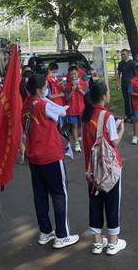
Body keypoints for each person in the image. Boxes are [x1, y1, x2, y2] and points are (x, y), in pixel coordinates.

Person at [22, 74, 80, 249]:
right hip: (50, 155)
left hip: (34, 156)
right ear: (39, 89)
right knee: (59, 194)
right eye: (45, 86)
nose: (47, 89)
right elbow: (62, 111)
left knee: (40, 195)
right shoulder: (43, 105)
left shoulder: (26, 104)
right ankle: (62, 235)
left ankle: (45, 231)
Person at [82, 83, 127, 255]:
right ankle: (113, 242)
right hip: (108, 168)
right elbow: (114, 142)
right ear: (103, 96)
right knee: (112, 202)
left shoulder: (86, 115)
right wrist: (121, 129)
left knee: (95, 203)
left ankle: (97, 242)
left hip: (91, 168)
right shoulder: (107, 116)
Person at [64, 65, 87, 153]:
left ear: (78, 73)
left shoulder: (83, 83)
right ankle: (76, 143)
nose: (73, 76)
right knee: (74, 126)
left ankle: (86, 140)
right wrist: (73, 90)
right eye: (71, 74)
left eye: (74, 73)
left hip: (82, 108)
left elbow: (87, 95)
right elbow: (66, 98)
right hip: (72, 109)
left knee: (84, 125)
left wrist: (80, 89)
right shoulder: (68, 85)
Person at [116, 49, 136, 122]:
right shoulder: (121, 63)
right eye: (122, 54)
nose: (123, 56)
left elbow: (135, 73)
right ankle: (128, 115)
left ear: (128, 54)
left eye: (124, 54)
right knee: (126, 100)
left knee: (132, 100)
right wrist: (118, 83)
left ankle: (133, 115)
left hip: (131, 84)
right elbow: (118, 73)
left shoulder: (132, 63)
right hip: (124, 84)